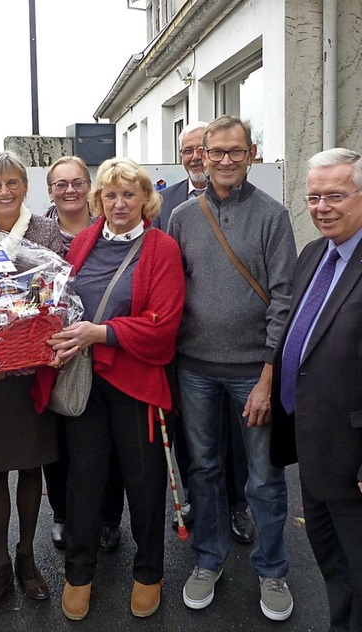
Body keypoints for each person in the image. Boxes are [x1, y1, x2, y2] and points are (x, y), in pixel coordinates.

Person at [167, 115, 296, 621]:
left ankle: (273, 570)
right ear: (201, 155)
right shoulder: (181, 216)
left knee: (263, 478)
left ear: (251, 154)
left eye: (233, 152)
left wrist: (268, 373)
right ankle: (208, 559)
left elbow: (284, 298)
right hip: (194, 367)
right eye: (213, 151)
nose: (222, 160)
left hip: (251, 371)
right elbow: (173, 290)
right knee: (204, 469)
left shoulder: (273, 214)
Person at [46, 157, 185, 621]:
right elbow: (65, 304)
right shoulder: (83, 242)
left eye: (129, 194)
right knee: (84, 481)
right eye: (110, 195)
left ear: (146, 199)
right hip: (86, 381)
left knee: (143, 482)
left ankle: (149, 572)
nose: (120, 203)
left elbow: (163, 327)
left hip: (137, 384)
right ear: (97, 200)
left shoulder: (161, 248)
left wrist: (99, 333)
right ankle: (78, 572)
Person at [0, 151, 63, 617]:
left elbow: (59, 291)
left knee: (30, 466)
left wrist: (22, 313)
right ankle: (0, 565)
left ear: (27, 186)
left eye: (13, 183)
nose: (4, 192)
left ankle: (27, 557)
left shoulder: (46, 232)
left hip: (30, 368)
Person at [271, 148, 362, 631]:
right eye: (313, 197)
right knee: (333, 565)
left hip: (353, 458)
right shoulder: (314, 253)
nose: (322, 207)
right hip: (315, 448)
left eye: (335, 196)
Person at [155, 121, 255, 544]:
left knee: (236, 434)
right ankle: (198, 498)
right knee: (192, 435)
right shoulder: (166, 204)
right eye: (189, 150)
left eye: (203, 148)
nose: (196, 156)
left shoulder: (257, 207)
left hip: (240, 350)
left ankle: (238, 505)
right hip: (187, 344)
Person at [42, 156, 125, 552]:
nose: (69, 190)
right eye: (61, 184)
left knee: (108, 440)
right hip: (54, 352)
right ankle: (62, 513)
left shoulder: (111, 225)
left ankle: (109, 517)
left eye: (77, 182)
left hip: (108, 347)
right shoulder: (37, 233)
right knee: (59, 440)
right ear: (50, 191)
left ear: (89, 187)